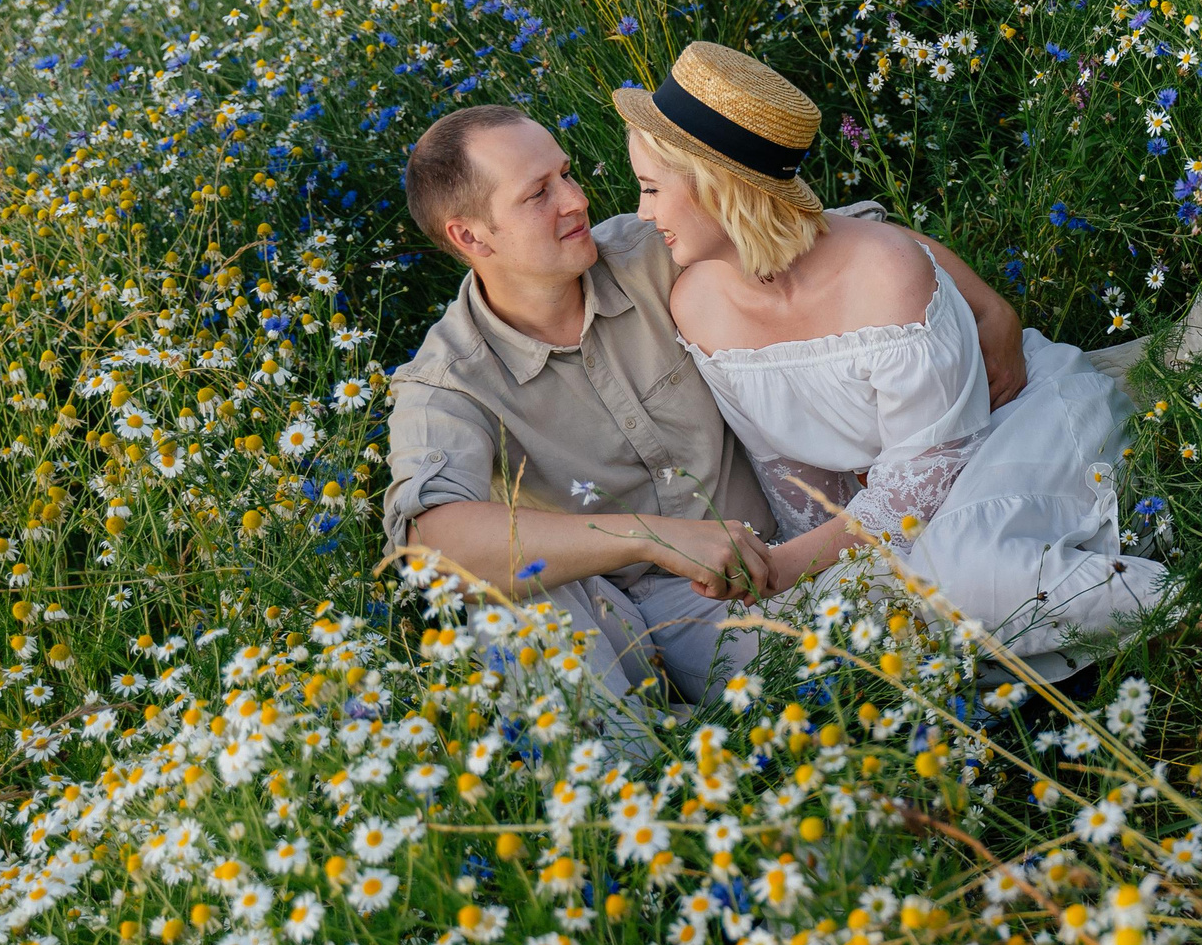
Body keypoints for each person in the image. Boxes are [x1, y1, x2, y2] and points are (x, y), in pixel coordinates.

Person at [616, 40, 1202, 687]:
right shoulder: (697, 304)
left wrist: (786, 566)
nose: (643, 214)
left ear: (720, 189)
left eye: (653, 188)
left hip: (1007, 425)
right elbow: (789, 473)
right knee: (863, 632)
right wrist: (809, 569)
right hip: (896, 505)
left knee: (967, 570)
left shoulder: (883, 274)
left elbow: (924, 471)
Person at [383, 100, 1026, 711]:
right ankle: (624, 787)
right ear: (470, 235)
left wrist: (986, 304)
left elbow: (828, 236)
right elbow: (430, 547)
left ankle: (713, 746)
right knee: (512, 600)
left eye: (566, 174)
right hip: (631, 617)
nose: (576, 200)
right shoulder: (449, 380)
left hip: (783, 566)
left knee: (935, 633)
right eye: (537, 194)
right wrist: (654, 539)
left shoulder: (649, 253)